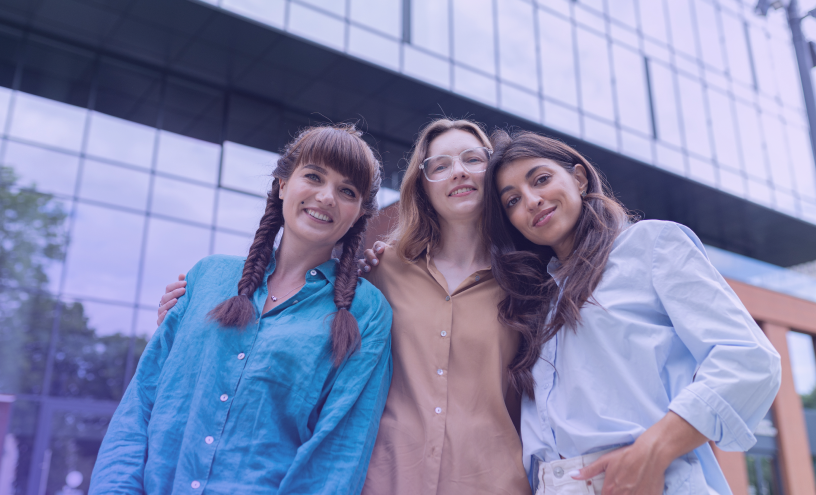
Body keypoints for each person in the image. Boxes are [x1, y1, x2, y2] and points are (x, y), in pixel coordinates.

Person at [159, 118, 533, 495]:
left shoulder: (528, 280)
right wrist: (187, 319)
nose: (459, 172)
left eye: (473, 159)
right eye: (440, 165)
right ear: (423, 186)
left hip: (491, 483)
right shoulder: (379, 273)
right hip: (387, 482)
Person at [91, 124, 393, 495]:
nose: (327, 197)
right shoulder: (206, 278)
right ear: (283, 184)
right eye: (313, 176)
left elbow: (337, 457)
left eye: (347, 191)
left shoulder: (367, 312)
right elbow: (140, 405)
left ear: (360, 213)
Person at [483, 129, 782, 495]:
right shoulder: (534, 300)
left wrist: (655, 448)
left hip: (647, 480)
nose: (530, 201)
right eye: (512, 200)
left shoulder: (650, 245)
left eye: (541, 180)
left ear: (578, 178)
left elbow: (748, 358)